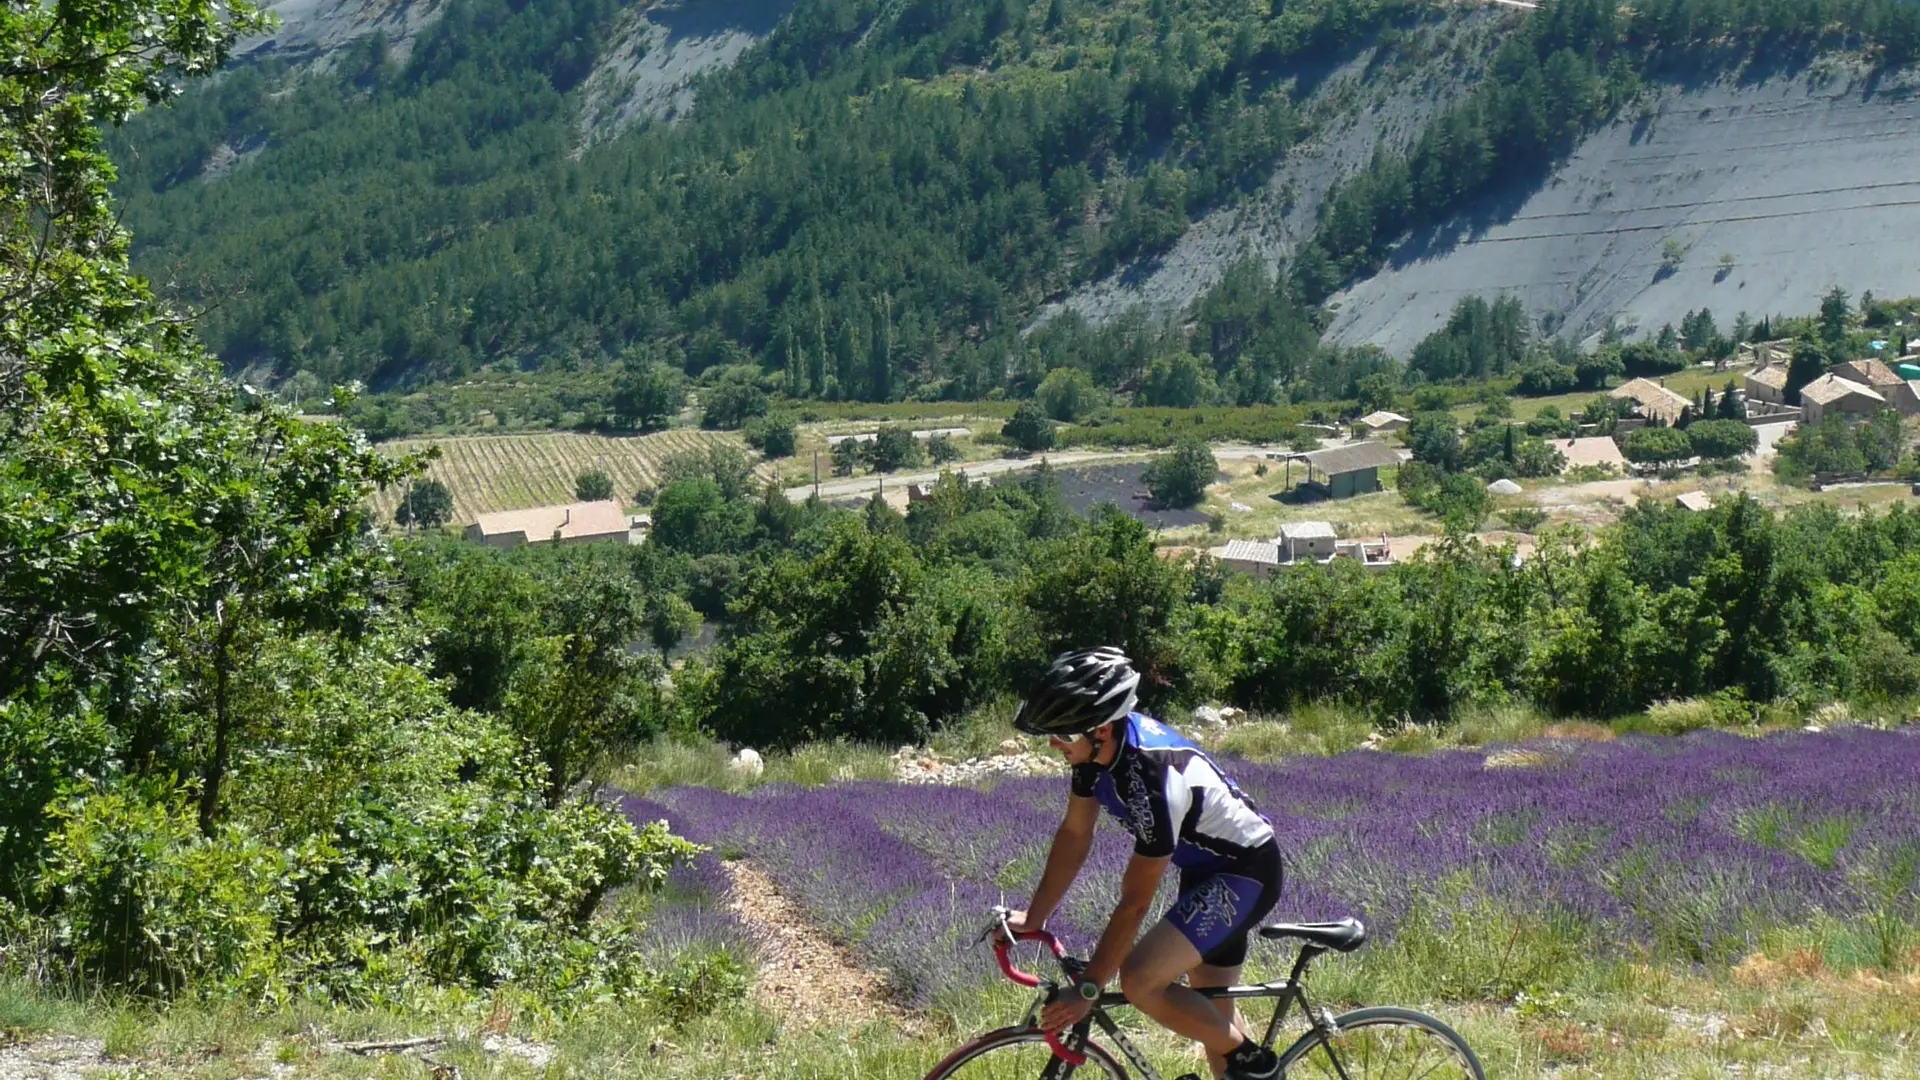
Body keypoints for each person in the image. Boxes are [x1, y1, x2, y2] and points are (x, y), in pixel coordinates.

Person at [1004, 647, 1285, 1080]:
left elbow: (1134, 904)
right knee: (1212, 1017)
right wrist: (1034, 916)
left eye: (1062, 733)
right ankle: (1243, 1061)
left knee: (1138, 980)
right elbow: (1075, 836)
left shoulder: (1151, 780)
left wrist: (1090, 987)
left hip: (1245, 872)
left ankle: (1252, 1057)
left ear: (1099, 728)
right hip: (1204, 873)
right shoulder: (1095, 757)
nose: (1053, 743)